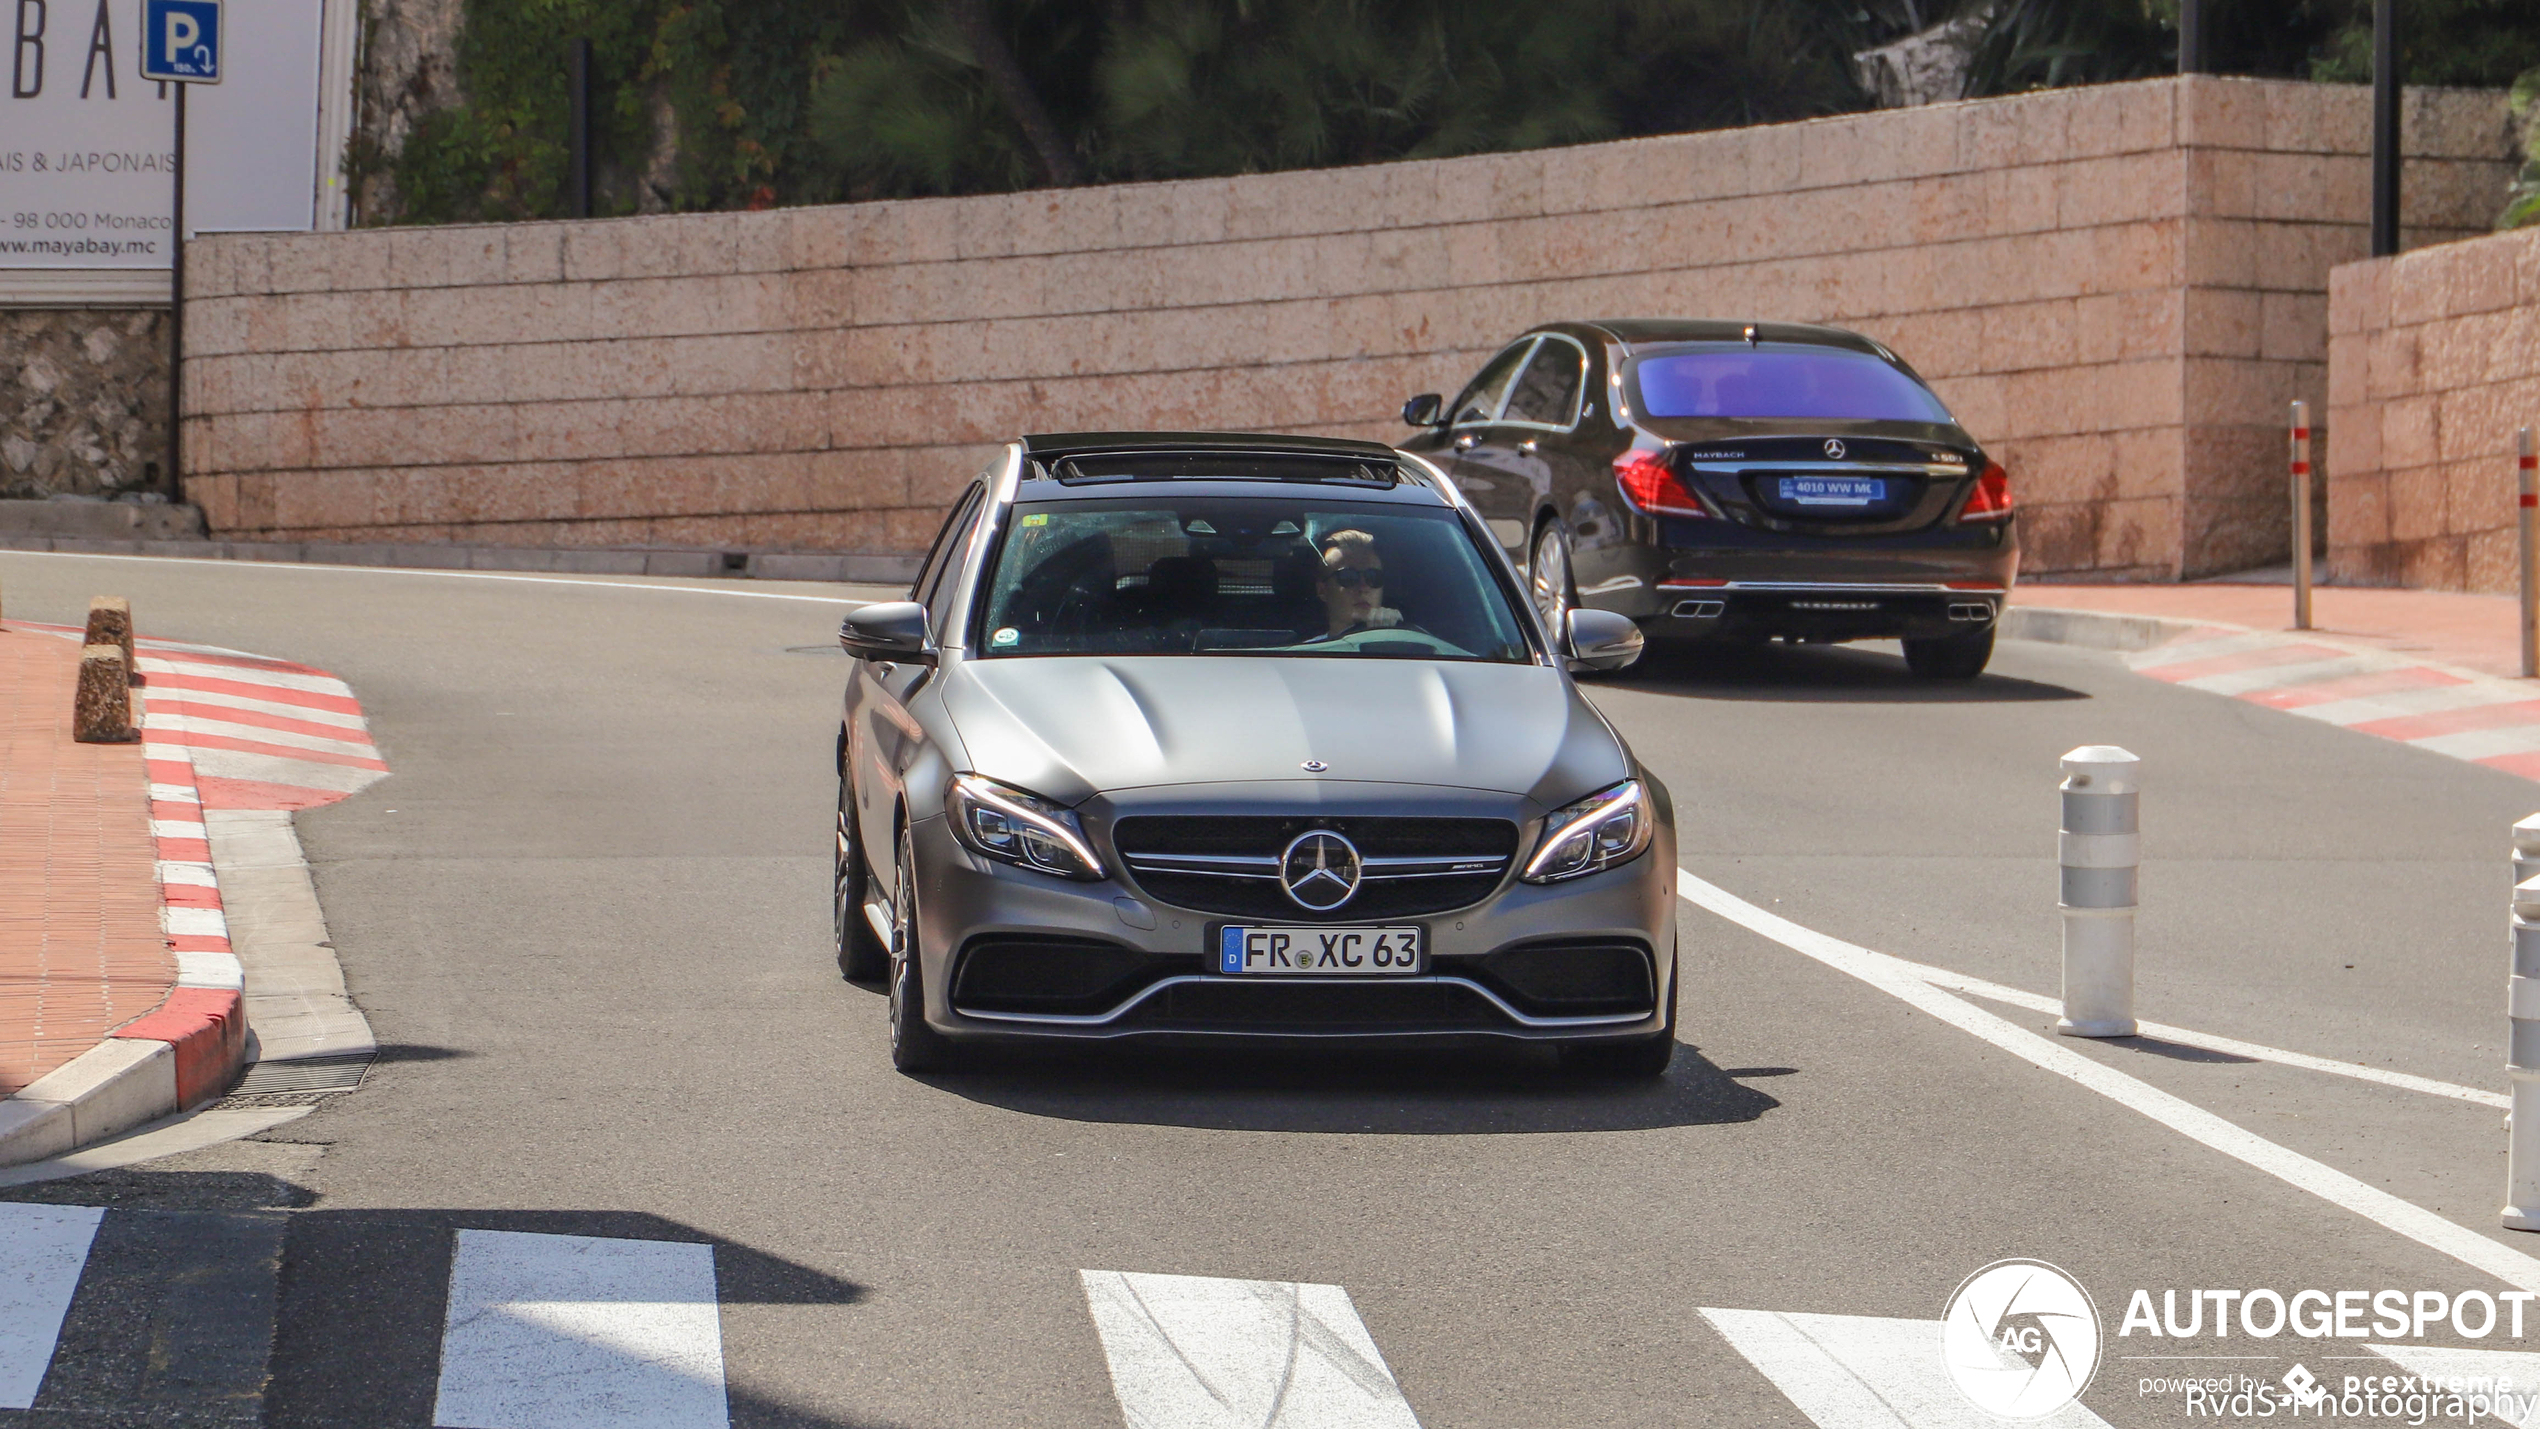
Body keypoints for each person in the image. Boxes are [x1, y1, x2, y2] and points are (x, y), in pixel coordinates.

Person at [1312, 528, 1404, 639]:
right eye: (1349, 577)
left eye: (1373, 577)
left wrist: (1395, 633)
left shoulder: (1408, 645)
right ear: (1322, 591)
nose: (1364, 587)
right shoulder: (1304, 653)